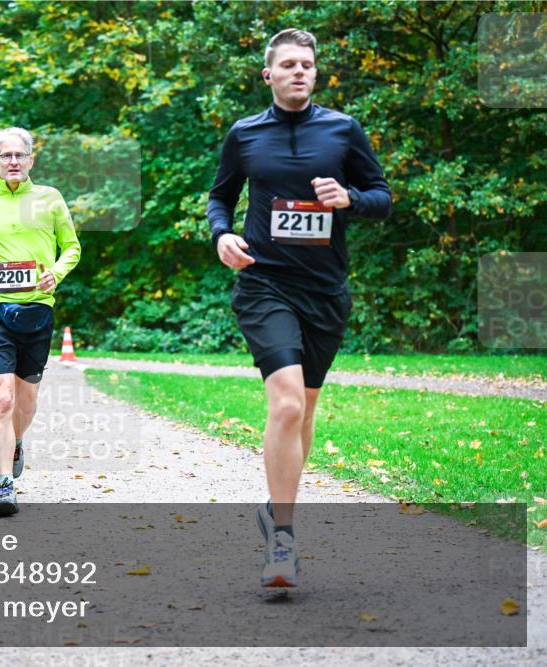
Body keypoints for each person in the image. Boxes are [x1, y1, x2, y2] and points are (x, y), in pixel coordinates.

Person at [207, 29, 391, 588]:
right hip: (265, 285)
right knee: (285, 405)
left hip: (325, 291)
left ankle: (275, 506)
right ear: (268, 75)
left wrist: (350, 199)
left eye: (306, 64)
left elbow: (381, 196)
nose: (298, 72)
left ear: (316, 73)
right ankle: (282, 537)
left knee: (304, 409)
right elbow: (221, 196)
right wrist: (222, 235)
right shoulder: (245, 135)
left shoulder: (342, 130)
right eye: (287, 64)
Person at [0, 126, 81, 517]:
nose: (12, 162)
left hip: (36, 310)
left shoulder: (49, 199)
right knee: (2, 398)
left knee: (27, 400)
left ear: (30, 160)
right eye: (4, 156)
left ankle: (17, 440)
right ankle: (5, 483)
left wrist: (54, 273)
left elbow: (72, 247)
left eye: (18, 156)